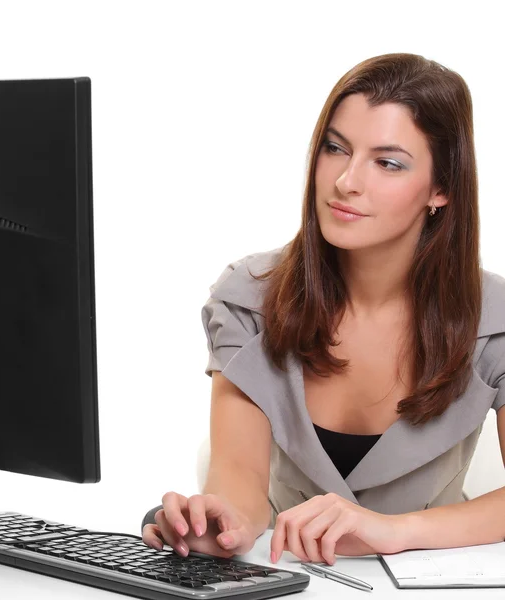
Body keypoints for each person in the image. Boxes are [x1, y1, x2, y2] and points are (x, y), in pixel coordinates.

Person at [141, 52, 505, 567]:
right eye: (336, 148)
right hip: (289, 579)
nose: (346, 181)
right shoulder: (249, 298)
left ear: (442, 188)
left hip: (433, 578)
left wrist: (392, 532)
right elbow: (239, 478)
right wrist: (221, 525)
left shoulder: (497, 322)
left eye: (388, 162)